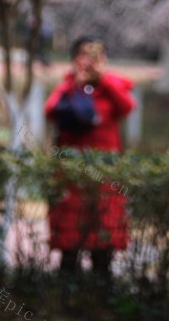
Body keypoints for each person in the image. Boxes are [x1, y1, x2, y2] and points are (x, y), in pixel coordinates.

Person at [44, 36, 136, 279]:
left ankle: (102, 287)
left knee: (104, 235)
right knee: (69, 237)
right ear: (74, 59)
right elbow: (50, 110)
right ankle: (66, 289)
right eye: (85, 55)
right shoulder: (68, 85)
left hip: (104, 175)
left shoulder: (112, 86)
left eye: (97, 55)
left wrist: (102, 79)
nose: (91, 60)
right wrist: (76, 82)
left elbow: (127, 107)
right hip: (73, 174)